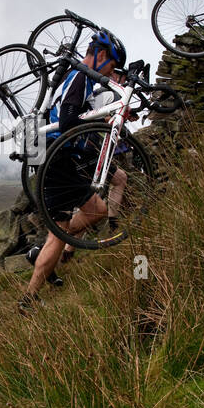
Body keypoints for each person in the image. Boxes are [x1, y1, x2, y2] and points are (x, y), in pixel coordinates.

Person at [21, 31, 128, 313]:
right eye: (112, 68)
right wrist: (98, 123)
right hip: (55, 154)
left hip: (58, 155)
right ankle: (29, 299)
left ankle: (37, 267)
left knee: (91, 214)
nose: (111, 74)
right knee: (64, 229)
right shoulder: (81, 76)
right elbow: (68, 119)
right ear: (102, 56)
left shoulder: (82, 77)